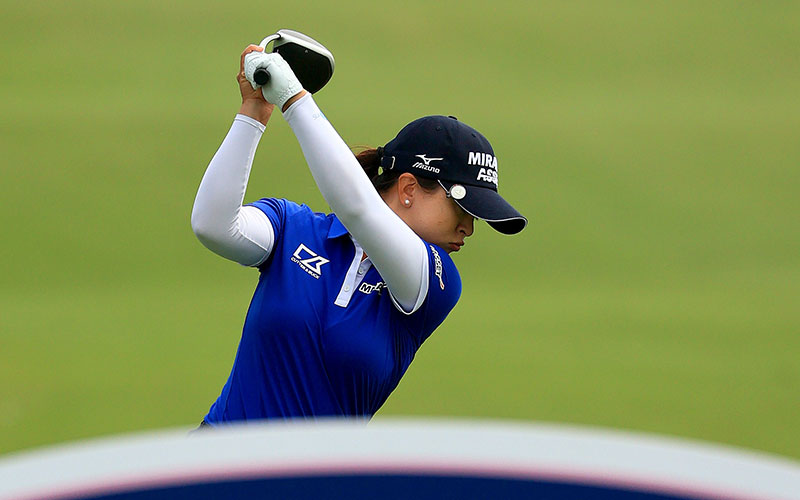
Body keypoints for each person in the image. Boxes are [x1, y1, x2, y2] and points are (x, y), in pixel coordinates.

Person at [190, 45, 527, 426]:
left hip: (313, 486)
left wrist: (295, 99)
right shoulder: (292, 228)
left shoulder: (436, 282)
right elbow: (213, 225)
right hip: (214, 470)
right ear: (409, 189)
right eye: (461, 209)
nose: (468, 227)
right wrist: (255, 112)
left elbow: (358, 209)